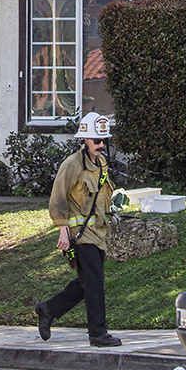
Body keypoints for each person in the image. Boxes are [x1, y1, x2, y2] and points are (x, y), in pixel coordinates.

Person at [35, 111, 121, 348]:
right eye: (96, 140)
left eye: (104, 140)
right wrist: (63, 232)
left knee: (87, 283)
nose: (101, 145)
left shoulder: (101, 163)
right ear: (84, 139)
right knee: (94, 284)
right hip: (80, 236)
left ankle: (48, 309)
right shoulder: (72, 165)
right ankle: (98, 333)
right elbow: (58, 200)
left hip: (99, 235)